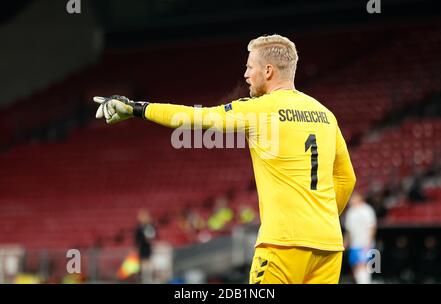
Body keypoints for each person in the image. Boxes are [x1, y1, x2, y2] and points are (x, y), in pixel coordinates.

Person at [94, 34, 356, 284]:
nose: (245, 75)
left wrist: (137, 108)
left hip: (283, 244)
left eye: (249, 67)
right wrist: (323, 220)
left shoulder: (259, 109)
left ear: (267, 71)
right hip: (328, 245)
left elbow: (197, 119)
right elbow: (347, 178)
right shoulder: (325, 115)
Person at [343, 192, 377, 284]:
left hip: (364, 244)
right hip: (354, 245)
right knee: (355, 266)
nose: (351, 200)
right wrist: (345, 243)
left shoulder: (367, 210)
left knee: (363, 266)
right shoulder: (350, 212)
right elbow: (349, 231)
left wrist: (369, 243)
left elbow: (372, 227)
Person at [134, 209, 156, 283]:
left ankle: (148, 279)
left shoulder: (150, 226)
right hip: (142, 247)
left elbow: (153, 235)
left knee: (148, 263)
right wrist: (136, 247)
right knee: (142, 264)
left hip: (148, 247)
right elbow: (136, 238)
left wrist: (150, 239)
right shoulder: (139, 227)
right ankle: (143, 279)